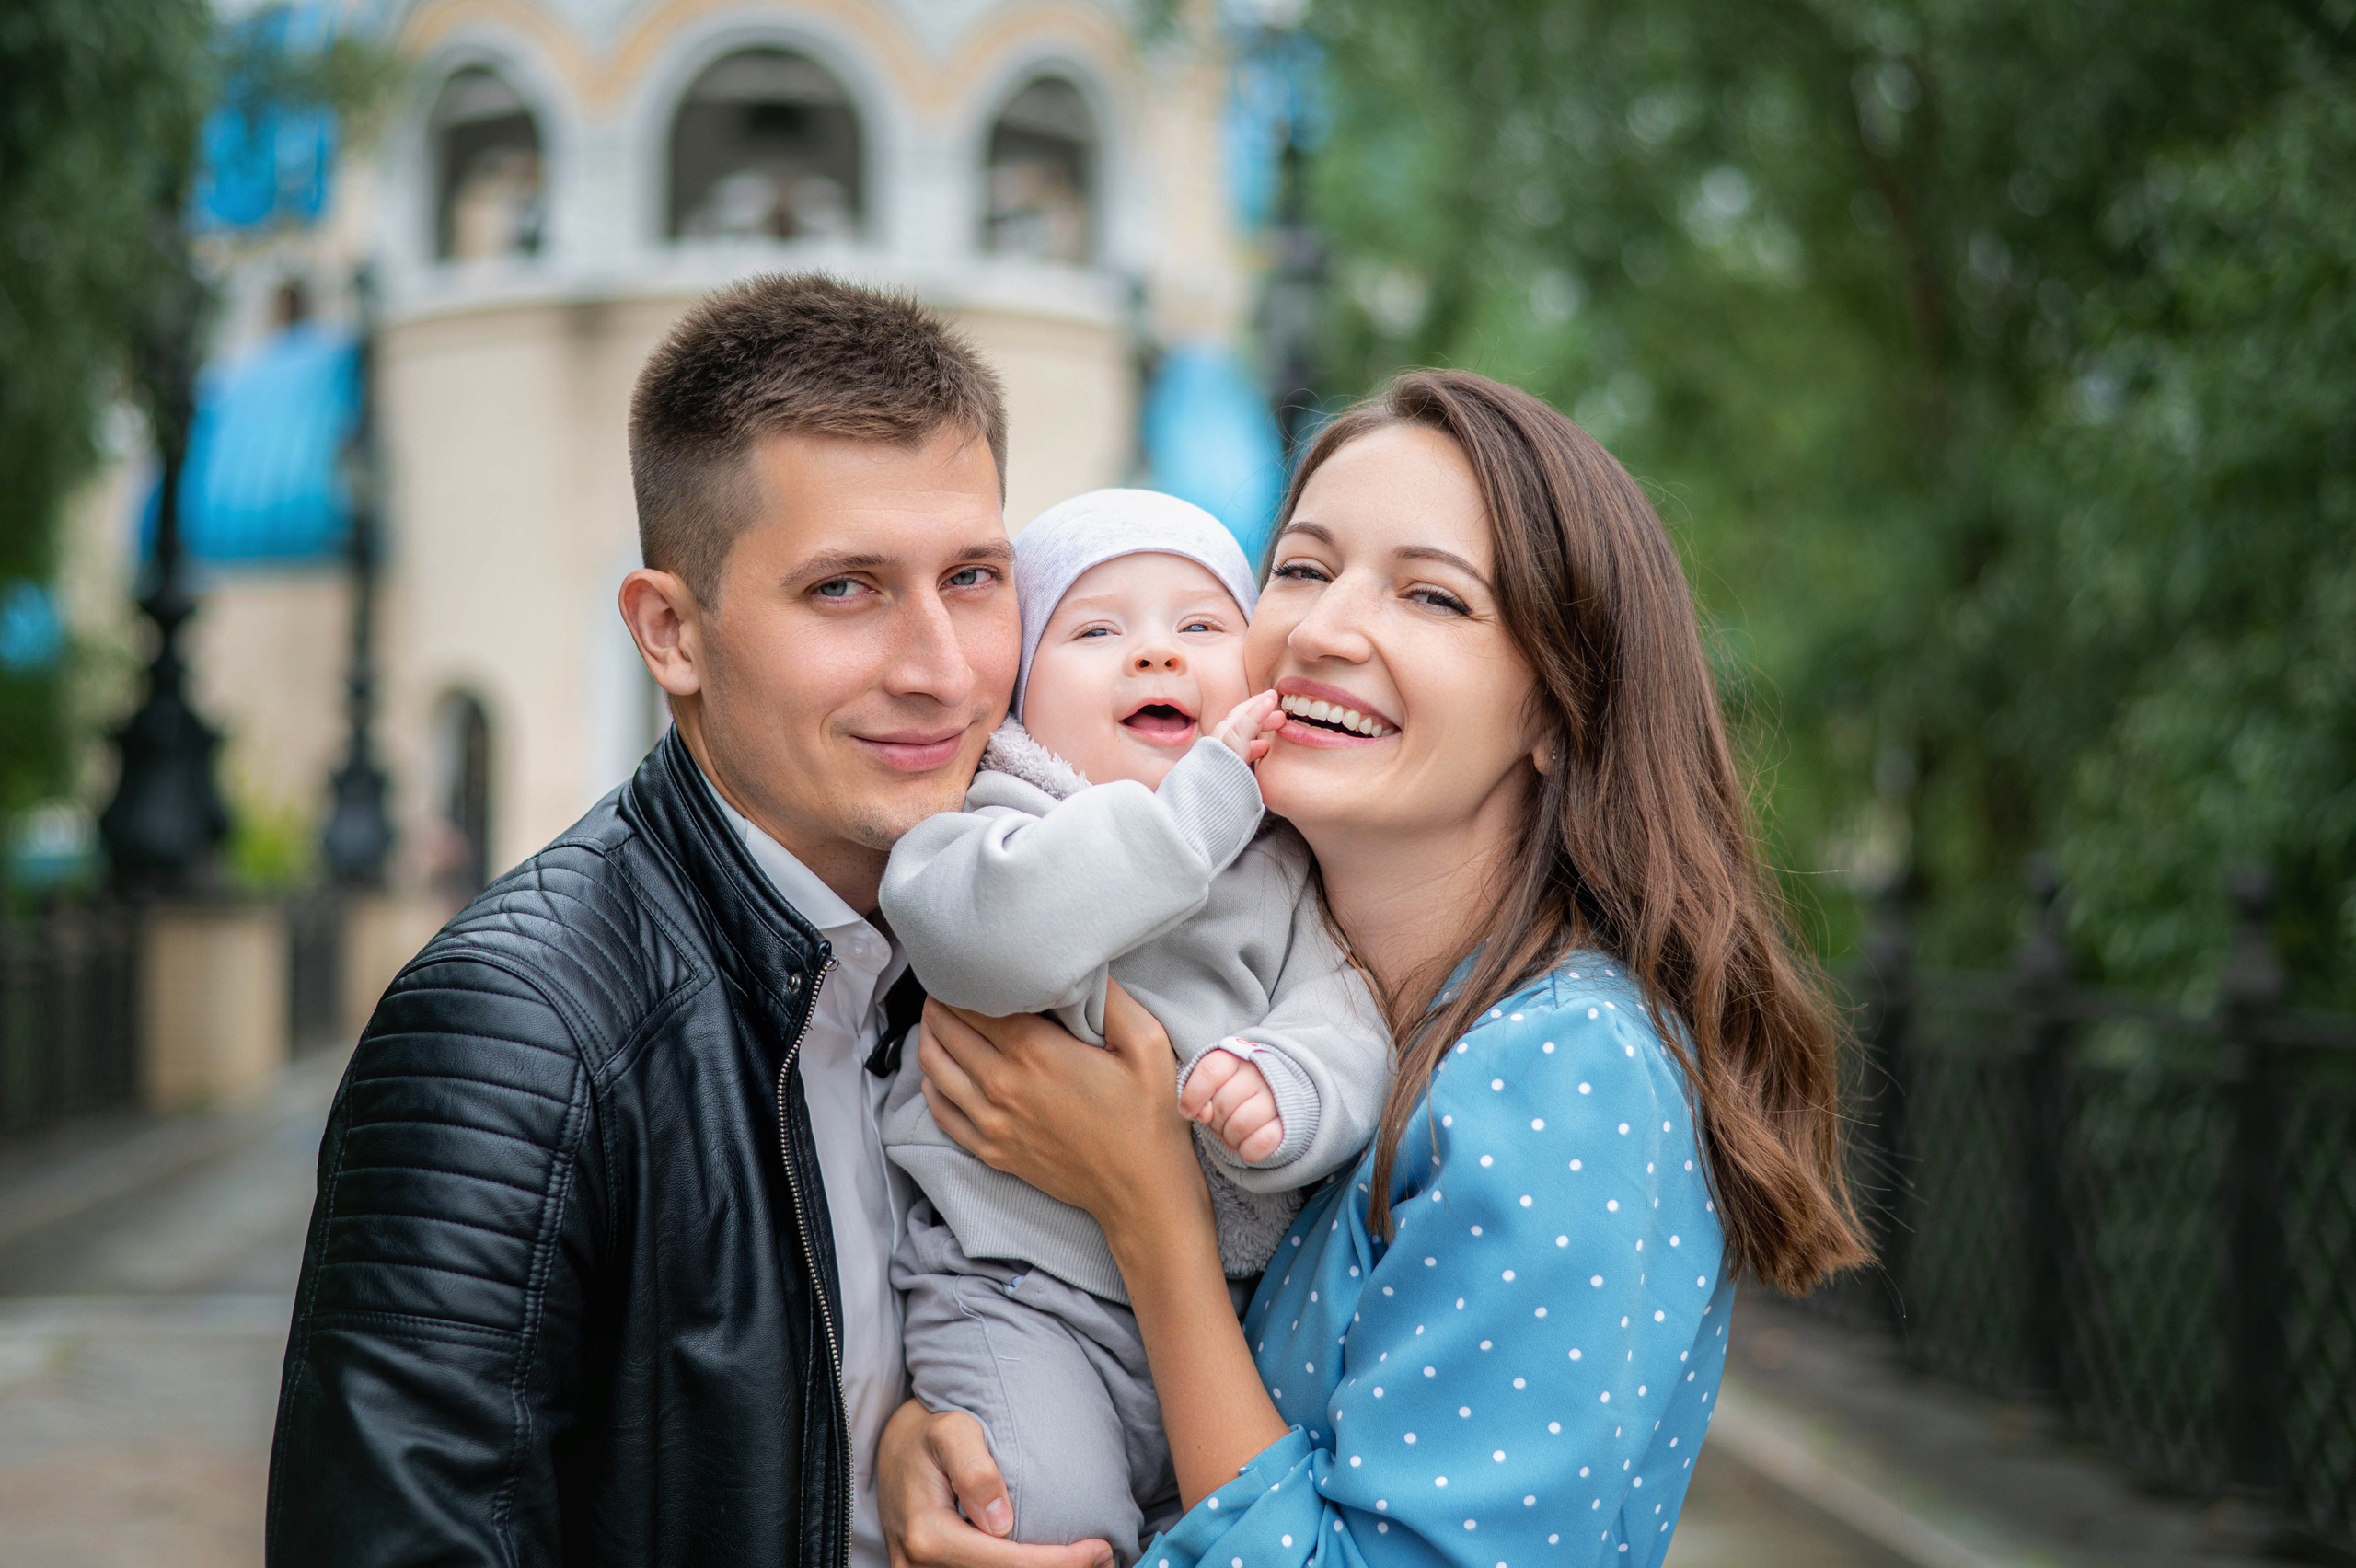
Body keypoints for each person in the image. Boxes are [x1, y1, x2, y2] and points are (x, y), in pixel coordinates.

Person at [880, 370, 1868, 1568]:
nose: (1323, 630)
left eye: (1432, 597)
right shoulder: (1309, 1002)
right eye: (1300, 569)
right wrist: (950, 1441)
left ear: (1556, 710)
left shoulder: (1562, 1072)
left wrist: (1151, 1214)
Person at [265, 274, 1082, 1568]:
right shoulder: (510, 1038)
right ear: (671, 633)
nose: (941, 666)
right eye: (844, 590)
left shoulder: (989, 952)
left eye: (972, 576)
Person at [875, 490, 1392, 1562]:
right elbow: (997, 944)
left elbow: (1343, 1012)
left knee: (1198, 1530)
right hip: (1016, 1287)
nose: (1156, 654)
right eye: (1097, 630)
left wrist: (1286, 1084)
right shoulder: (991, 826)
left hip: (1220, 1307)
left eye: (1201, 627)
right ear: (1019, 698)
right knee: (1044, 1519)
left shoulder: (1281, 865)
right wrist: (1198, 810)